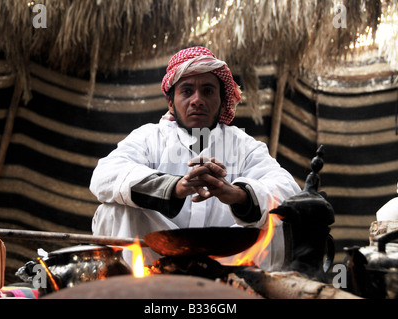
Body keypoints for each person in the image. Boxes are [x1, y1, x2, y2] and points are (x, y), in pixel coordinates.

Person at [89, 46, 301, 269]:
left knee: (277, 218)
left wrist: (239, 195)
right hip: (156, 253)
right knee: (113, 210)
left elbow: (288, 190)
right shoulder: (150, 137)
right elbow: (105, 176)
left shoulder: (244, 145)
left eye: (208, 91)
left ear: (221, 101)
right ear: (171, 102)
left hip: (228, 259)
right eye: (187, 91)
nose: (197, 100)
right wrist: (173, 188)